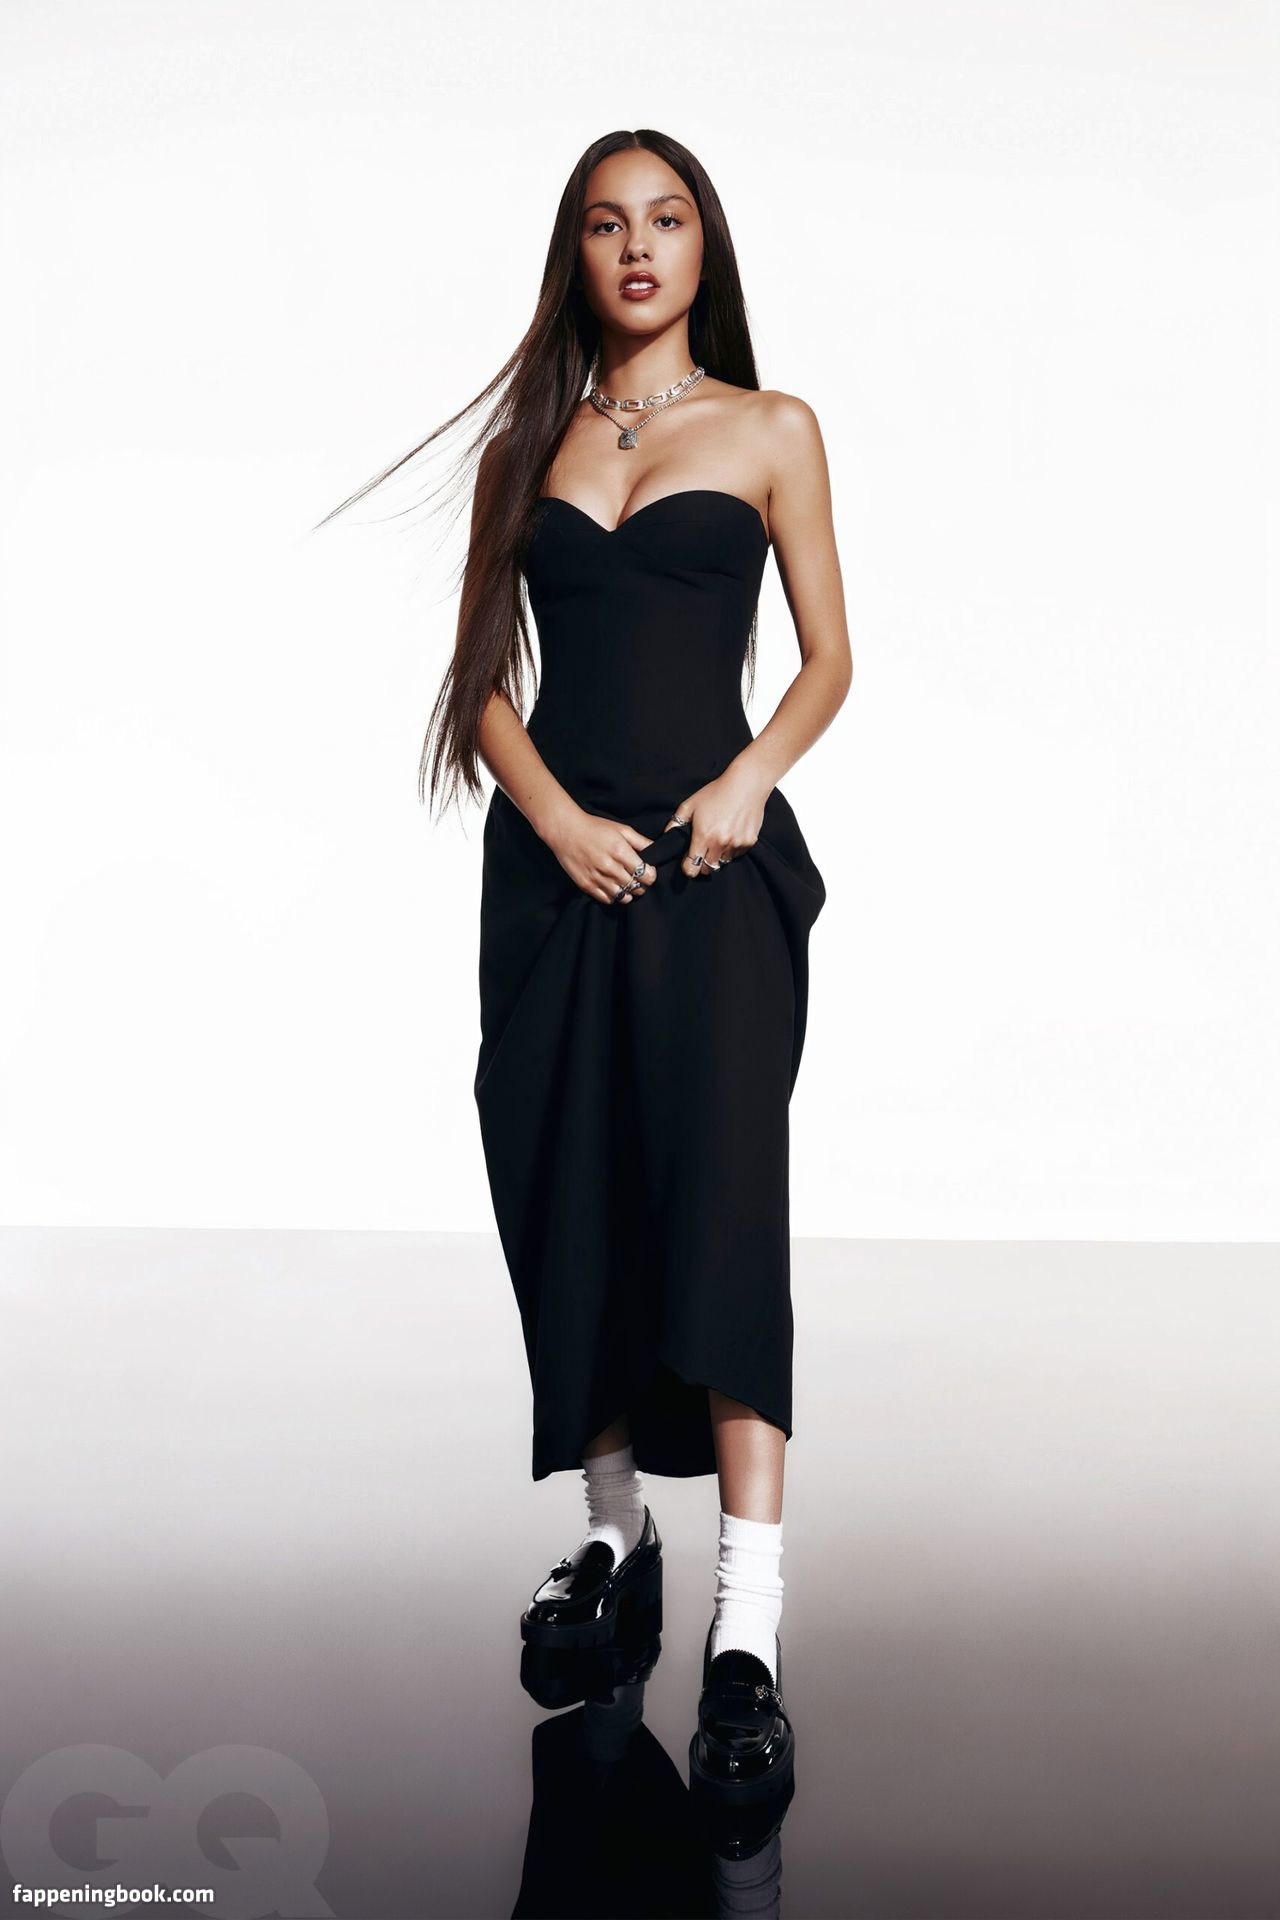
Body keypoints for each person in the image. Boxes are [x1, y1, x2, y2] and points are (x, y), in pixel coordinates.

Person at [322, 127, 851, 1797]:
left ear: (704, 247)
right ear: (576, 255)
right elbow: (481, 679)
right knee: (566, 1194)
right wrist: (550, 819)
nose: (637, 247)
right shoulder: (526, 450)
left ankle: (748, 1629)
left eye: (666, 219)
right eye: (608, 225)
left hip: (712, 876)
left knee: (723, 1212)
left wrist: (749, 780)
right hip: (557, 883)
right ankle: (615, 1544)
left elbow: (831, 660)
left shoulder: (771, 429)